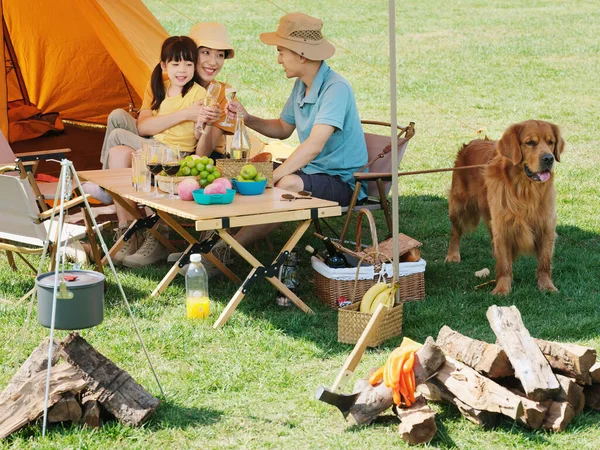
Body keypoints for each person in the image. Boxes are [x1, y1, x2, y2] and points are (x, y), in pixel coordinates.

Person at [86, 23, 236, 267]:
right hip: (154, 142)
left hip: (191, 155)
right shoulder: (165, 82)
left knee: (117, 147)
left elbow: (201, 150)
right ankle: (129, 231)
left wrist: (205, 120)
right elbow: (144, 126)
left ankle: (114, 197)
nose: (213, 62)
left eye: (220, 55)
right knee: (116, 124)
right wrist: (185, 114)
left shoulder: (216, 93)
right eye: (206, 52)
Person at [224, 12, 367, 253]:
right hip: (313, 172)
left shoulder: (336, 89)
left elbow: (314, 146)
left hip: (343, 182)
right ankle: (220, 241)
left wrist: (276, 174)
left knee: (286, 182)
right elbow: (282, 128)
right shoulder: (302, 84)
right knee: (239, 174)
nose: (279, 59)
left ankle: (226, 250)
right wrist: (247, 118)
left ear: (301, 55)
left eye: (281, 51)